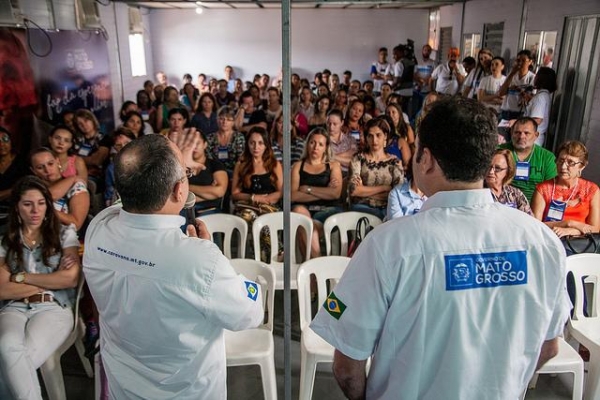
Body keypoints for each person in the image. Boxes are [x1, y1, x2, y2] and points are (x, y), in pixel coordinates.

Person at [310, 96, 569, 399]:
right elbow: (550, 345)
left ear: (426, 158)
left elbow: (347, 365)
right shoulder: (542, 242)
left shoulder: (389, 244)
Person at [83, 132, 264, 399]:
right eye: (186, 175)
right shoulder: (199, 260)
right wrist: (211, 255)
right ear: (180, 191)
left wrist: (176, 171)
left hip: (124, 387)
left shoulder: (99, 228)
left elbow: (127, 199)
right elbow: (249, 314)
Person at [0, 176, 81, 400]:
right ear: (17, 208)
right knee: (6, 346)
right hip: (13, 308)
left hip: (53, 308)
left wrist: (20, 276)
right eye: (27, 204)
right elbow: (2, 290)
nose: (35, 210)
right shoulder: (6, 241)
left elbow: (70, 280)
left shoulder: (65, 233)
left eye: (41, 203)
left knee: (10, 363)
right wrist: (48, 280)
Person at [291, 127, 343, 258]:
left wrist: (308, 189)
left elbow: (335, 194)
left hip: (327, 211)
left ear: (326, 147)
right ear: (307, 143)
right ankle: (317, 269)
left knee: (307, 228)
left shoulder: (333, 166)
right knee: (299, 212)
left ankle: (311, 271)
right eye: (312, 142)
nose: (315, 147)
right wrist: (325, 191)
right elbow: (293, 195)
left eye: (320, 144)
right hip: (304, 210)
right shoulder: (298, 166)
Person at [532, 140, 600, 237]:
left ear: (582, 166)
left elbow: (595, 229)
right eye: (561, 160)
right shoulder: (543, 189)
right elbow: (535, 225)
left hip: (581, 244)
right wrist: (567, 223)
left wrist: (572, 230)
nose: (563, 167)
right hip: (548, 239)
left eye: (570, 162)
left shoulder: (592, 190)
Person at [348, 117, 404, 219]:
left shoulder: (394, 162)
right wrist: (384, 188)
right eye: (370, 136)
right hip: (361, 208)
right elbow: (354, 191)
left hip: (388, 208)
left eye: (378, 135)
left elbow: (397, 194)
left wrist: (364, 192)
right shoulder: (358, 159)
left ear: (385, 136)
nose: (374, 140)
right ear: (366, 138)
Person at [30, 148, 90, 231]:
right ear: (34, 171)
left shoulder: (76, 185)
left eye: (50, 164)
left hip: (67, 238)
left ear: (57, 162)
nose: (47, 170)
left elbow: (76, 223)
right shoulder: (31, 188)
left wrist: (46, 210)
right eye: (40, 167)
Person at [498, 117, 557, 202]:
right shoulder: (500, 151)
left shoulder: (547, 158)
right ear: (511, 133)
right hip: (504, 201)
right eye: (517, 132)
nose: (521, 136)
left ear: (536, 135)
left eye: (526, 133)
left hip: (534, 205)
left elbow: (550, 189)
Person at [187, 130, 228, 216]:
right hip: (185, 210)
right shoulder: (182, 167)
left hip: (209, 210)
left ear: (205, 144)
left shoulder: (215, 164)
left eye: (197, 143)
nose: (194, 147)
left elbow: (219, 192)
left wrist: (187, 187)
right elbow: (176, 194)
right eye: (191, 143)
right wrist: (208, 192)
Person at [484, 149, 532, 214]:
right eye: (488, 166)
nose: (491, 172)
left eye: (497, 168)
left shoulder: (515, 194)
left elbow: (529, 219)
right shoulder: (478, 193)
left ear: (508, 171)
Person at [523, 67, 557, 146]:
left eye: (537, 75)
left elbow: (537, 119)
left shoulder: (540, 97)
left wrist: (517, 123)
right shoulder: (544, 95)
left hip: (531, 139)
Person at [206, 106, 245, 174]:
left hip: (234, 172)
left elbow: (240, 159)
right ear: (217, 120)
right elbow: (207, 159)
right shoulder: (210, 137)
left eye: (228, 119)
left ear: (233, 122)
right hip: (214, 172)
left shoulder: (238, 137)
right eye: (221, 118)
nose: (224, 122)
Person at [498, 49, 536, 121]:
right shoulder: (511, 75)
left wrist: (519, 90)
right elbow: (501, 93)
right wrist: (512, 73)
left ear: (530, 62)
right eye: (518, 60)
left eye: (523, 60)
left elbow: (532, 99)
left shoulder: (532, 77)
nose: (520, 63)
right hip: (506, 112)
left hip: (520, 114)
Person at [0, 128, 28, 205]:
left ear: (11, 141)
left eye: (5, 139)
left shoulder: (23, 162)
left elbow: (27, 185)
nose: (1, 144)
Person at [327, 109, 357, 176]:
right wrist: (346, 154)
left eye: (335, 124)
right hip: (329, 174)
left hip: (348, 175)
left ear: (342, 123)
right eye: (329, 123)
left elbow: (353, 162)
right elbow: (323, 162)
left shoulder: (351, 140)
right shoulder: (323, 140)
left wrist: (331, 157)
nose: (331, 127)